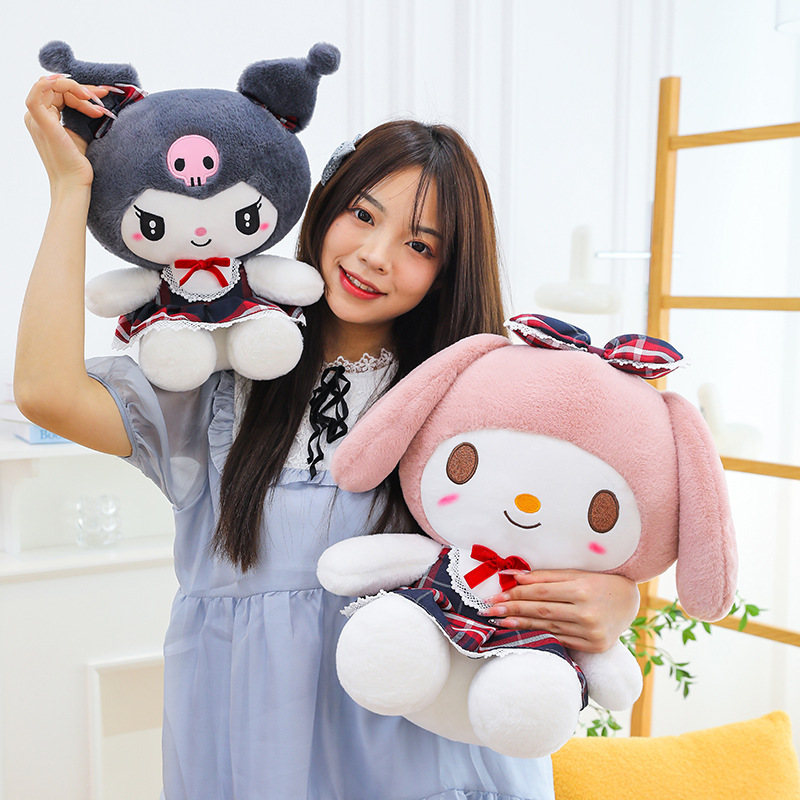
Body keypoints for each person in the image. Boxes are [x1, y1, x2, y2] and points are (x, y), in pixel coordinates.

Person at [18, 75, 640, 800]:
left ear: (448, 271)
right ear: (321, 207)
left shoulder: (478, 397)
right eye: (362, 214)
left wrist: (613, 599)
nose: (375, 254)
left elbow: (582, 516)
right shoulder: (218, 370)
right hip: (255, 741)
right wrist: (70, 190)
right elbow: (46, 392)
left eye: (418, 244)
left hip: (425, 745)